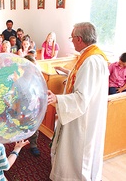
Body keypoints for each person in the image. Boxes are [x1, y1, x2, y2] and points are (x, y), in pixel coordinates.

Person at [47, 22, 109, 180]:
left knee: (79, 153)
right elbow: (84, 82)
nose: (71, 40)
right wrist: (68, 73)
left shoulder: (90, 61)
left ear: (79, 39)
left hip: (83, 119)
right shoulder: (93, 57)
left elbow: (81, 98)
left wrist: (57, 99)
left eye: (72, 37)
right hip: (89, 114)